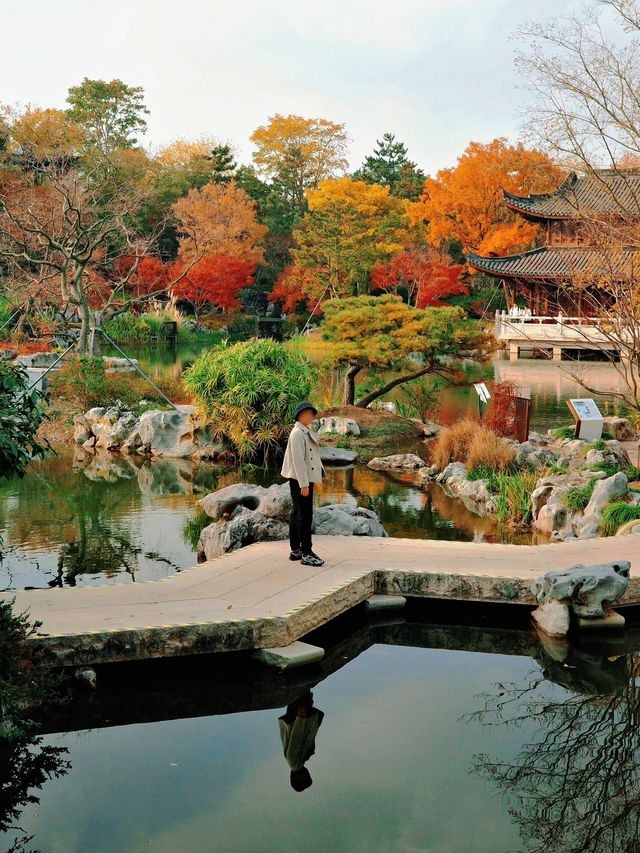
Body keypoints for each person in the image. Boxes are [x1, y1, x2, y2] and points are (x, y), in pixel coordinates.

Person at [281, 401, 325, 566]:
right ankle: (306, 552)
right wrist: (304, 485)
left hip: (303, 478)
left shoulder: (304, 431)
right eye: (306, 413)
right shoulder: (297, 434)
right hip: (301, 479)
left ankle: (296, 550)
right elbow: (298, 462)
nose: (310, 416)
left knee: (298, 513)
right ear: (299, 415)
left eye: (311, 413)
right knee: (304, 516)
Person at [278, 691, 325, 792]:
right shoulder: (299, 761)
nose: (307, 775)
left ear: (297, 779)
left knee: (301, 689)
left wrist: (300, 719)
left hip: (297, 716)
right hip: (299, 716)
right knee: (303, 688)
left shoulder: (294, 762)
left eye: (305, 779)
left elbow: (296, 739)